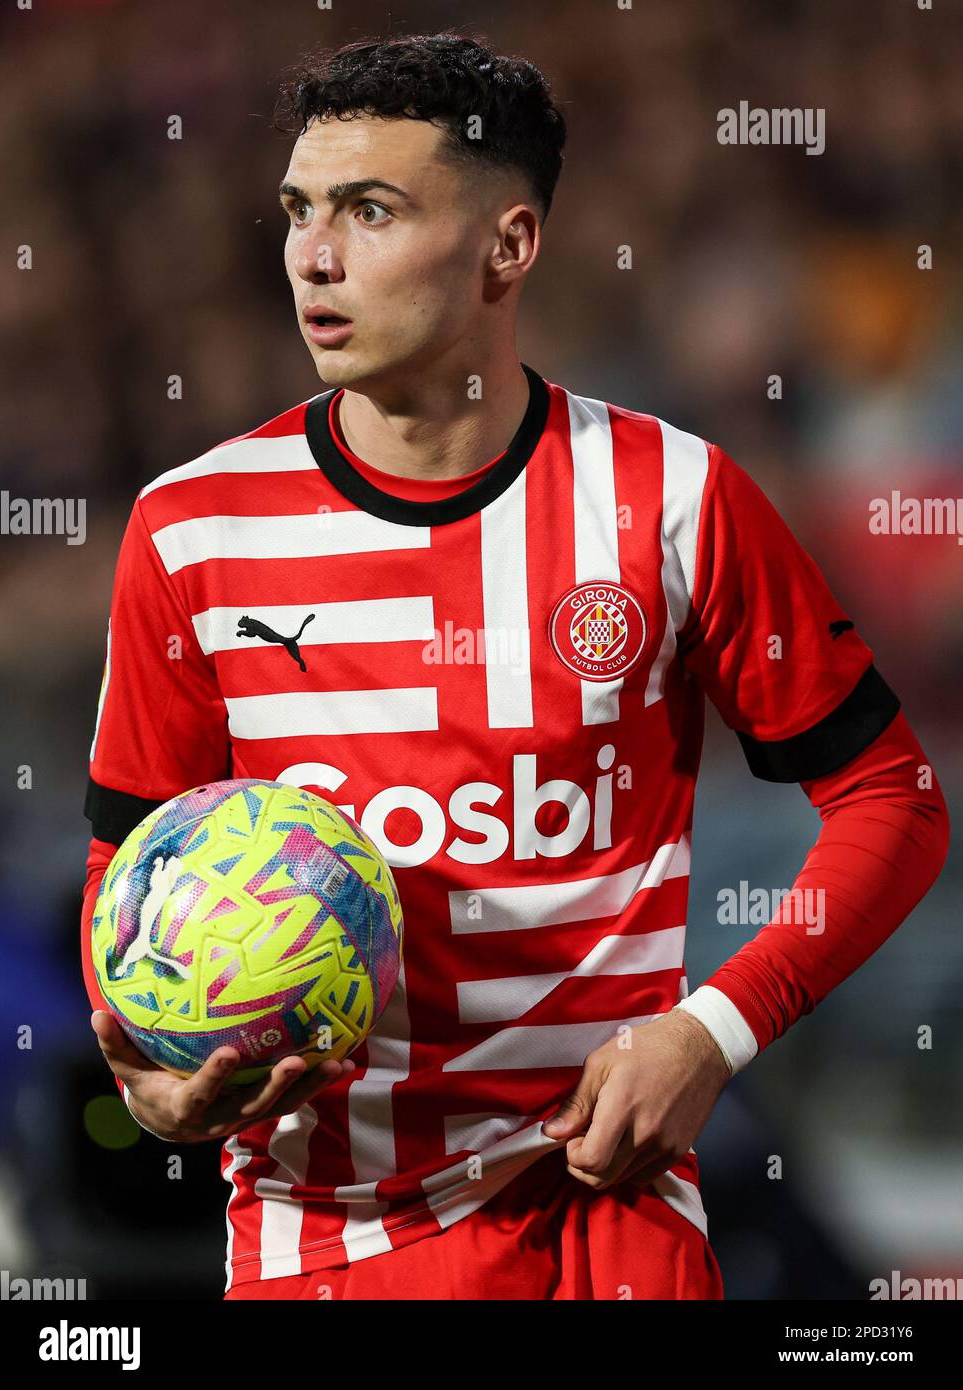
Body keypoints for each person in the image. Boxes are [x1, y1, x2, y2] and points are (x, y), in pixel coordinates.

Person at [80, 31, 948, 1301]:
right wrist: (150, 1087)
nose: (312, 256)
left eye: (370, 211)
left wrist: (712, 1032)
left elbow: (893, 800)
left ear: (508, 247)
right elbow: (130, 873)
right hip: (319, 1242)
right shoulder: (192, 530)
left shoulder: (669, 499)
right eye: (298, 211)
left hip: (607, 1228)